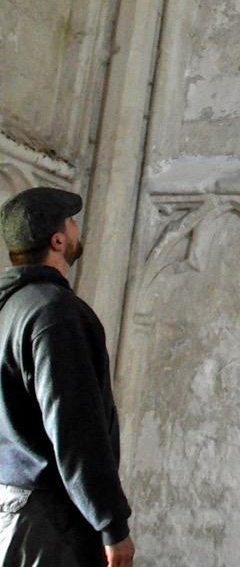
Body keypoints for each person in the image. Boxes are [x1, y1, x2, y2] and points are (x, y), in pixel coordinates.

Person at [0, 187, 134, 566]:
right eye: (71, 222)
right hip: (46, 521)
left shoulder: (10, 307)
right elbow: (75, 426)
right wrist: (112, 524)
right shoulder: (54, 312)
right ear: (58, 241)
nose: (77, 228)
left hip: (11, 504)